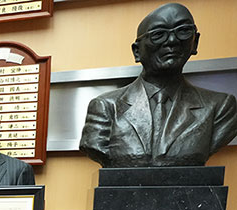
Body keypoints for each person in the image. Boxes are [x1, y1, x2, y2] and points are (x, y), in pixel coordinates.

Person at [80, 2, 237, 167]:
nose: (172, 41)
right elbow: (95, 146)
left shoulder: (221, 107)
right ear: (137, 51)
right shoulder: (106, 107)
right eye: (158, 34)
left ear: (195, 42)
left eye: (183, 31)